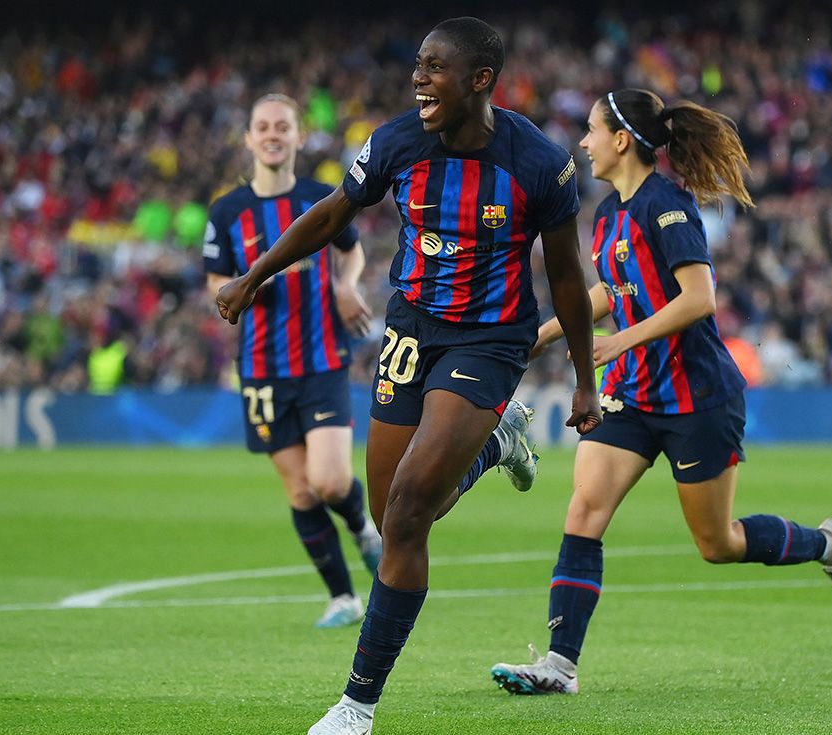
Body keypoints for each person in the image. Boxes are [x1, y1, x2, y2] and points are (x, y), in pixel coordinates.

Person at [215, 18, 602, 734]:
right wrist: (253, 272)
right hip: (410, 329)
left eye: (434, 68)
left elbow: (568, 279)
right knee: (398, 516)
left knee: (406, 510)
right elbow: (332, 213)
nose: (418, 79)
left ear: (480, 81)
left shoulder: (539, 163)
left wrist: (583, 378)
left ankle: (356, 704)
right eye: (417, 66)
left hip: (488, 340)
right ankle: (496, 444)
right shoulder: (397, 142)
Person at [489, 89, 832, 696]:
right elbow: (610, 294)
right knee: (583, 514)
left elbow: (699, 299)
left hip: (697, 398)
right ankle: (559, 668)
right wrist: (537, 338)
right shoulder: (611, 214)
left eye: (590, 131)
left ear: (620, 141)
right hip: (633, 397)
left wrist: (616, 343)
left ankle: (828, 543)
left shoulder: (667, 206)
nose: (582, 143)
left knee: (717, 544)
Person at [204, 93, 383, 629]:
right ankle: (343, 598)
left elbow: (351, 249)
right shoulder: (227, 211)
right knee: (300, 489)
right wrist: (244, 287)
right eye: (263, 126)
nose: (273, 134)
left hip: (323, 358)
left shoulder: (321, 199)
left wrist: (345, 286)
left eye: (283, 126)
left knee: (330, 482)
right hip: (260, 367)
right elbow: (217, 281)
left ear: (299, 137)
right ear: (249, 139)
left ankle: (363, 528)